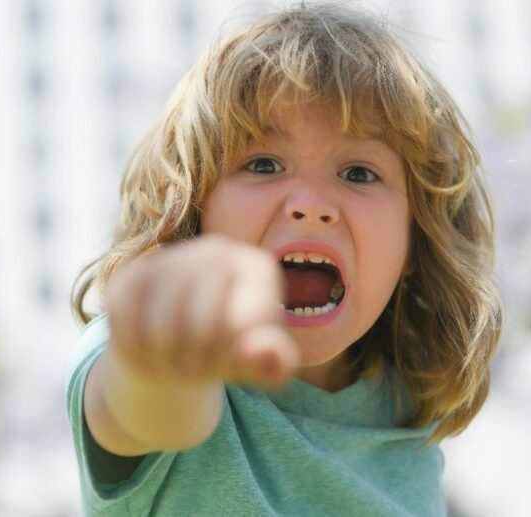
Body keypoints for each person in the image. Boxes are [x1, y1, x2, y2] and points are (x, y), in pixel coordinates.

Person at [67, 2, 503, 515]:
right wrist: (160, 360)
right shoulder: (150, 349)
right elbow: (151, 409)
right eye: (265, 164)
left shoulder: (405, 405)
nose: (311, 206)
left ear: (416, 240)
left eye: (359, 173)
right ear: (194, 211)